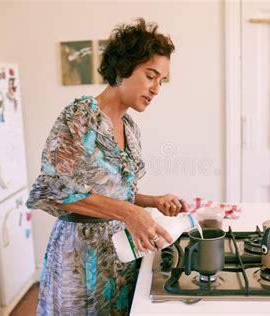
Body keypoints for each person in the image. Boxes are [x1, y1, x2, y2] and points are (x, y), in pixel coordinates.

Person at [27, 18, 189, 316]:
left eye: (161, 81)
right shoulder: (79, 118)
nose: (156, 89)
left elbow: (117, 192)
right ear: (122, 68)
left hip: (122, 252)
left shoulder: (130, 127)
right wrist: (130, 213)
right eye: (150, 75)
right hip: (79, 258)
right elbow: (55, 191)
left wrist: (150, 202)